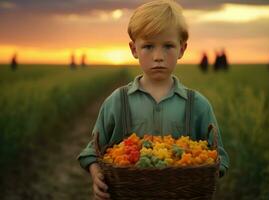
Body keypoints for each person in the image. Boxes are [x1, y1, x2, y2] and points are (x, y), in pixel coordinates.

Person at [77, 1, 229, 199]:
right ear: (134, 49)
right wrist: (97, 175)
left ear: (182, 49)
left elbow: (220, 157)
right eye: (148, 46)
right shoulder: (117, 102)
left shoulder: (198, 104)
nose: (158, 56)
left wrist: (203, 175)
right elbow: (92, 152)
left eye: (168, 46)